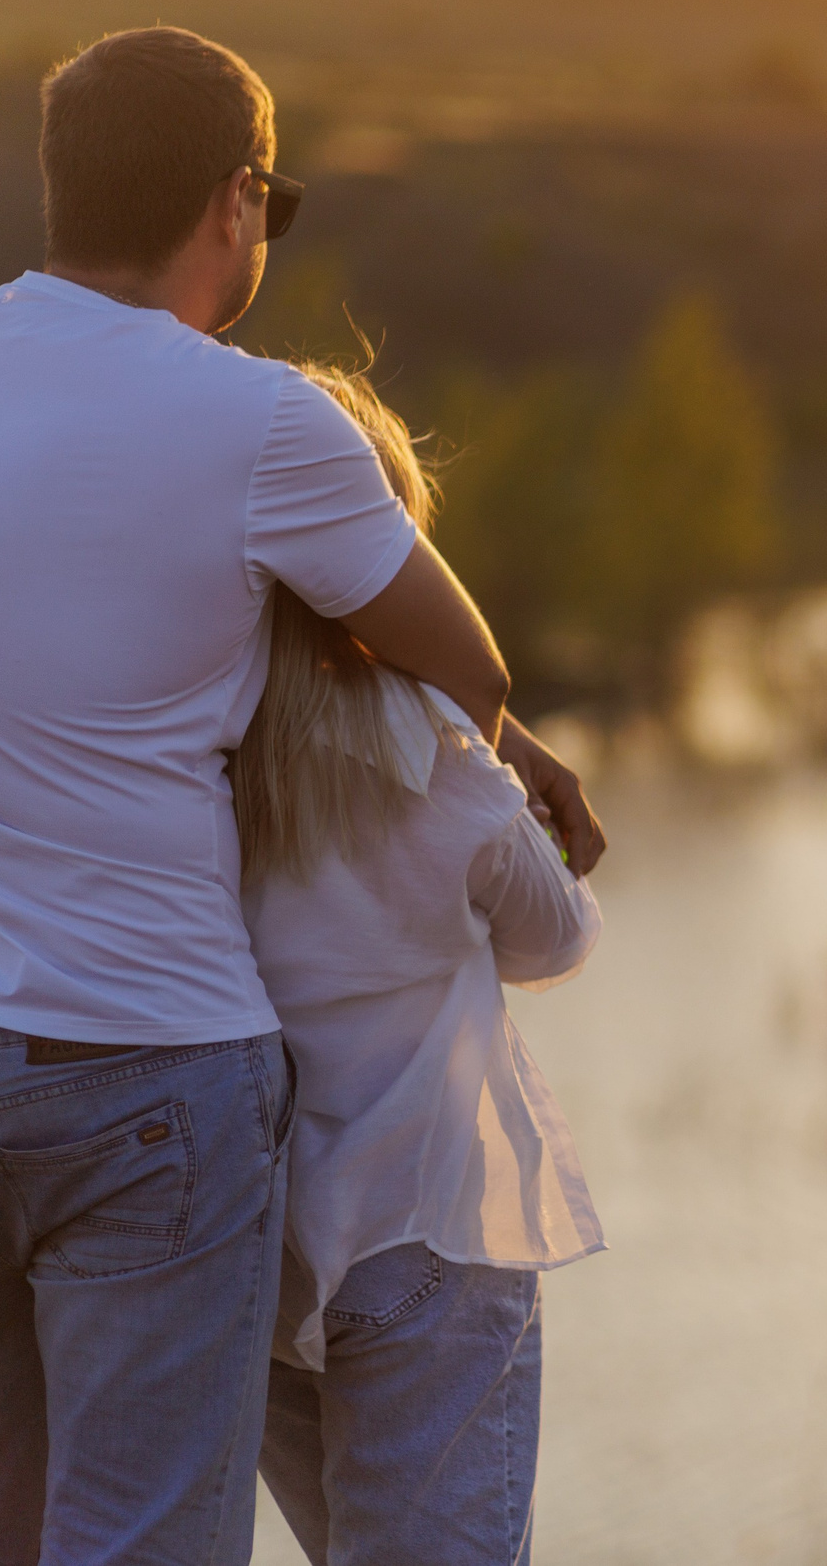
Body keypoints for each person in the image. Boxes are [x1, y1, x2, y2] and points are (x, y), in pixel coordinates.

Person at [0, 25, 604, 1565]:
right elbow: (470, 668)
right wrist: (501, 757)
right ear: (236, 201)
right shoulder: (257, 418)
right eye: (269, 204)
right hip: (142, 1068)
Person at [235, 365, 603, 1566]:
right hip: (425, 1239)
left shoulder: (200, 761)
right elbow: (556, 935)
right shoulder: (438, 766)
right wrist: (516, 797)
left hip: (267, 1268)